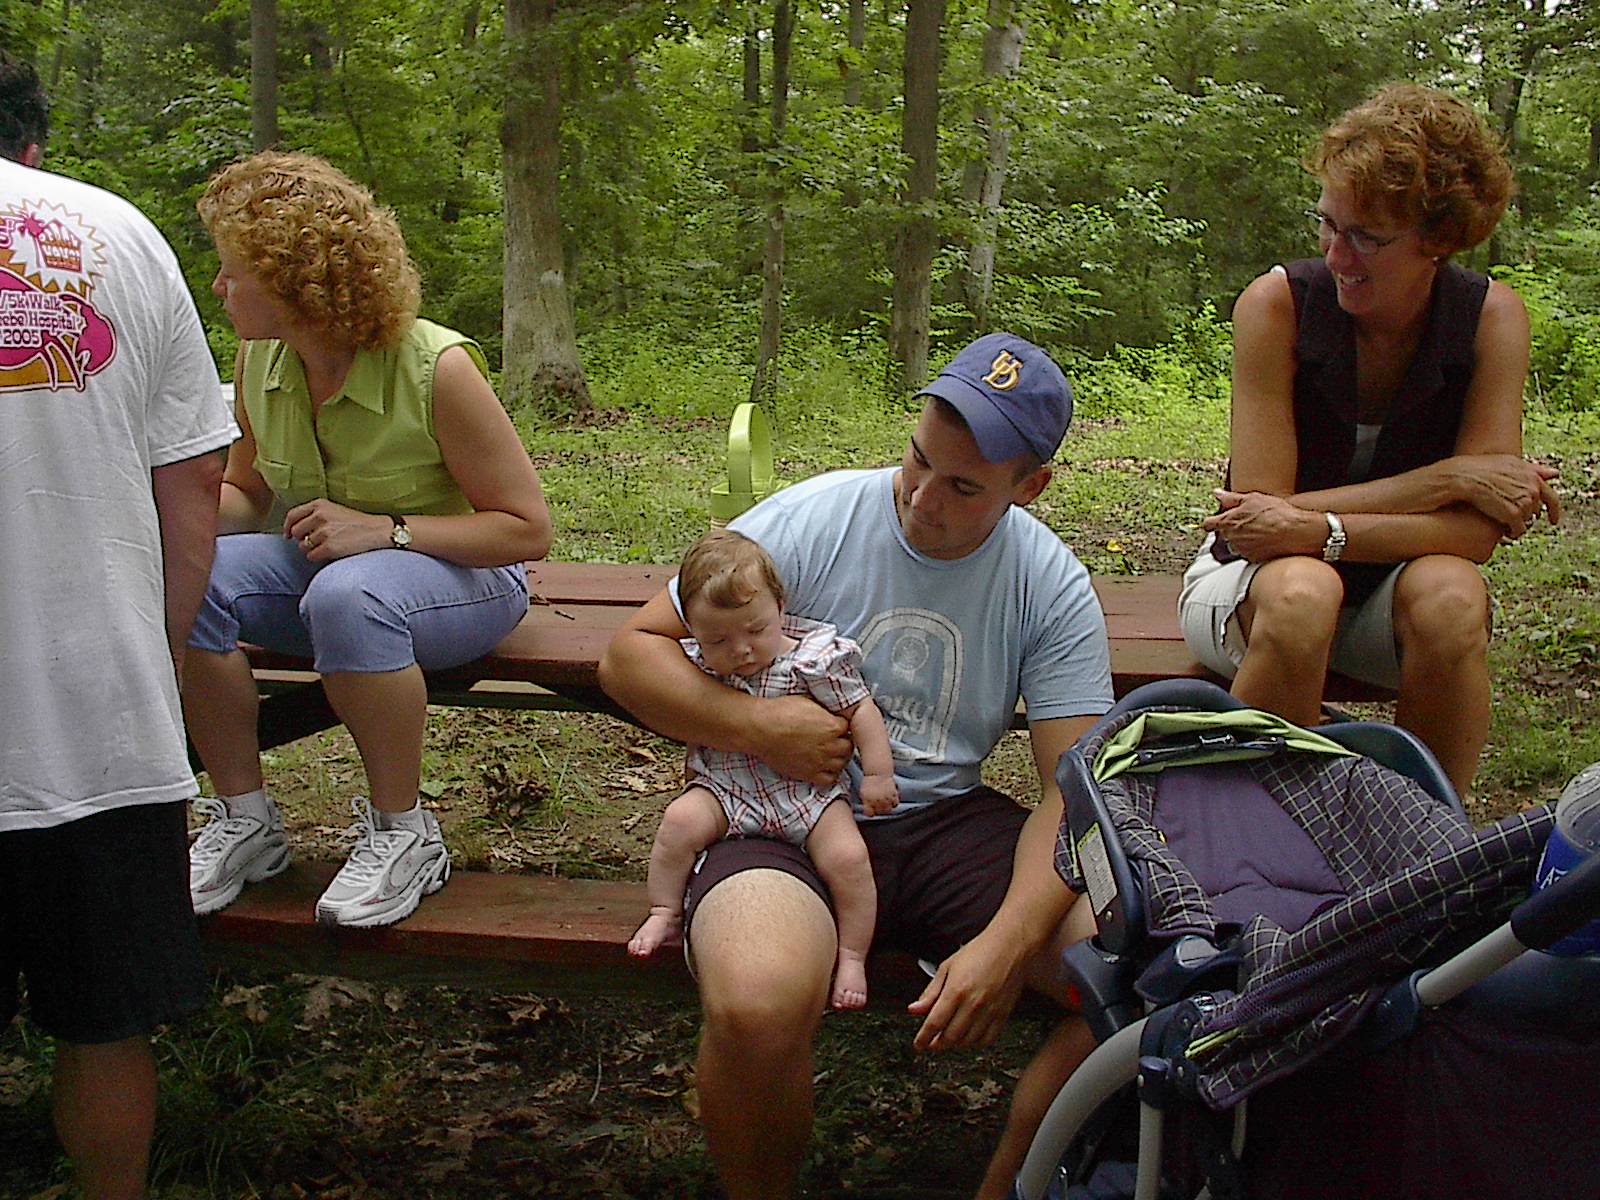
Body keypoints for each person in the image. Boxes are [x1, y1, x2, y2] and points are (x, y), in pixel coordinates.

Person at [599, 332, 1114, 1200]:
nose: (920, 498)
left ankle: (1010, 1180)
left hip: (941, 822)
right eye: (918, 459)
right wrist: (760, 729)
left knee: (1136, 965)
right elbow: (631, 655)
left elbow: (1077, 793)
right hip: (775, 808)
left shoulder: (1048, 583)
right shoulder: (817, 516)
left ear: (1030, 489)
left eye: (962, 487)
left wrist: (1008, 941)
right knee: (755, 1004)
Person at [184, 151, 552, 927]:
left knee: (350, 594)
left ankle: (404, 832)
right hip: (326, 573)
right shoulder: (259, 359)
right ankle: (245, 820)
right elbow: (247, 494)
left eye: (231, 271)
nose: (218, 287)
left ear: (293, 277)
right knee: (187, 579)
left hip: (465, 577)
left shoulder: (435, 367)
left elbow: (526, 530)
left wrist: (388, 532)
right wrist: (158, 517)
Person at [1178, 83, 1560, 798]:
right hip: (1252, 590)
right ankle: (1257, 842)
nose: (1338, 254)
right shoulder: (1277, 306)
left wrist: (1315, 524)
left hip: (1394, 590)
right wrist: (1448, 480)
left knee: (1453, 596)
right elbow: (1259, 524)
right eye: (1327, 225)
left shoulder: (1489, 321)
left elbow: (1473, 539)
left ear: (1438, 240)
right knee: (1302, 595)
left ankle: (1422, 848)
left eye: (1367, 238)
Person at [1, 50, 236, 1200]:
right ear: (33, 144)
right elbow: (194, 476)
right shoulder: (119, 234)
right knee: (104, 1025)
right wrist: (149, 653)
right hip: (98, 714)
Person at [628, 529, 900, 1011]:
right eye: (718, 639)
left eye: (756, 630)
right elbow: (652, 683)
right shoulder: (699, 667)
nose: (742, 650)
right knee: (679, 823)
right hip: (727, 789)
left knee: (849, 860)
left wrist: (877, 775)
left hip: (808, 797)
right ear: (692, 631)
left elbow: (861, 710)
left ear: (780, 605)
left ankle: (853, 954)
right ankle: (664, 909)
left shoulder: (813, 660)